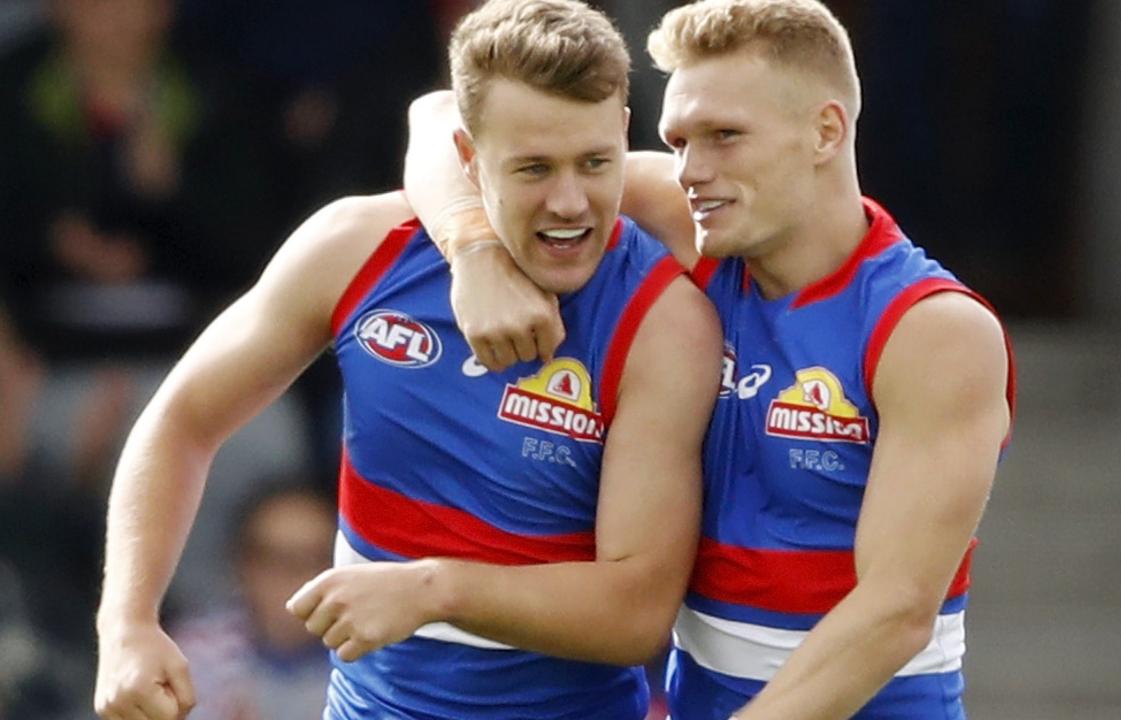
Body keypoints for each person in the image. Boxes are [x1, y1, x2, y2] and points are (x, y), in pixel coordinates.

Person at [92, 1, 722, 718]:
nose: (570, 202)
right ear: (466, 156)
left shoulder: (663, 320)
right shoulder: (357, 247)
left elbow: (635, 612)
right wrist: (127, 623)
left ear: (624, 134)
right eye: (533, 168)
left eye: (595, 162)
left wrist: (431, 589)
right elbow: (182, 421)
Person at [402, 1, 1016, 718]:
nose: (690, 169)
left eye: (724, 136)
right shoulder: (698, 227)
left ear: (826, 130)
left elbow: (894, 614)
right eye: (678, 139)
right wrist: (473, 250)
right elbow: (439, 121)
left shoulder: (931, 328)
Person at [170, 480, 335, 720]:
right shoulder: (190, 654)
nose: (289, 577)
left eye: (309, 560)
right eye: (272, 558)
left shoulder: (373, 661)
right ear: (241, 565)